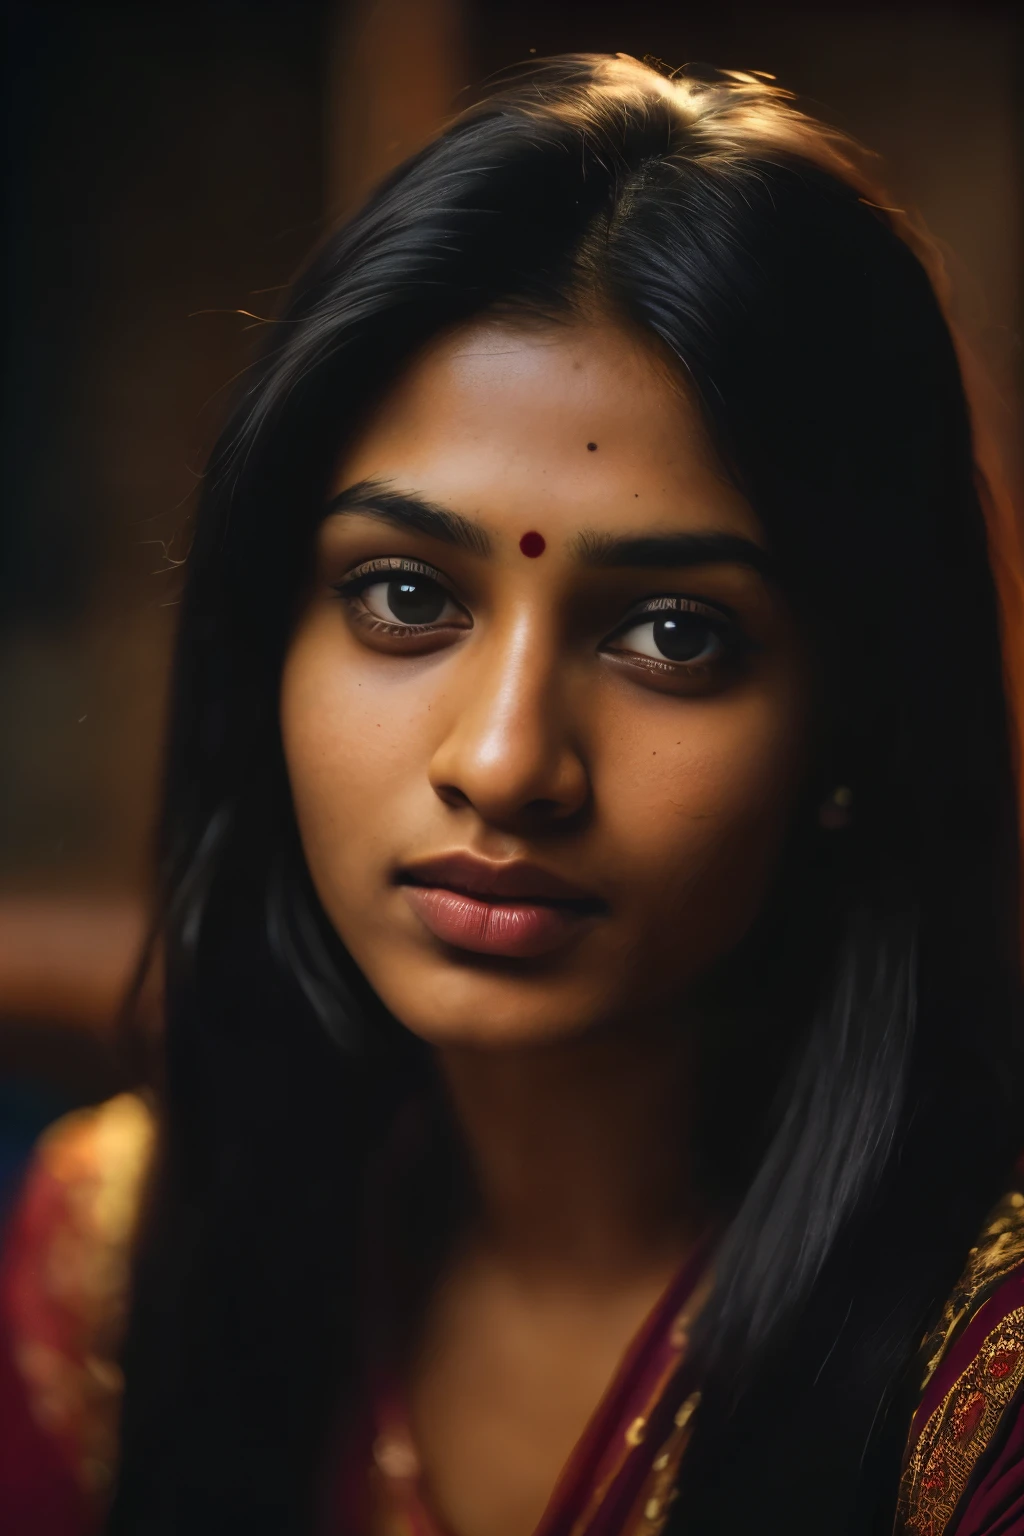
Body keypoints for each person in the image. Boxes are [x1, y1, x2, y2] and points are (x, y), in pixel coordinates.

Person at [2, 51, 1023, 1536]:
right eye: (404, 594)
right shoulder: (114, 1270)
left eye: (676, 634)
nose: (501, 762)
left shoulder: (979, 1395)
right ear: (260, 642)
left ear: (858, 726)